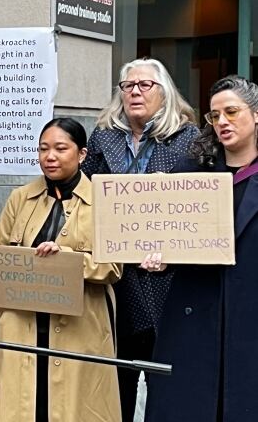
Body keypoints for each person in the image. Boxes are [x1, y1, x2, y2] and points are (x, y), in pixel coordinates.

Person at [80, 57, 198, 420]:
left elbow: (199, 212)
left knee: (168, 382)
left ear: (164, 93)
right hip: (117, 278)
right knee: (117, 382)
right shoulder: (103, 137)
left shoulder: (188, 139)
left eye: (145, 85)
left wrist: (173, 250)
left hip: (169, 279)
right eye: (128, 86)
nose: (134, 92)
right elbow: (85, 195)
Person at [0, 118, 122, 422]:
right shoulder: (20, 197)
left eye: (61, 148)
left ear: (82, 154)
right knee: (22, 407)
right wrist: (2, 315)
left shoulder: (102, 200)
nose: (50, 156)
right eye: (44, 149)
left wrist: (67, 260)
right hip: (22, 326)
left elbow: (113, 266)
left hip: (78, 327)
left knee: (74, 408)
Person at [145, 75, 258, 422]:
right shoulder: (191, 171)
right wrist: (160, 259)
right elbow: (169, 239)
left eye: (232, 112)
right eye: (214, 115)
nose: (222, 121)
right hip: (196, 311)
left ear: (256, 115)